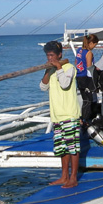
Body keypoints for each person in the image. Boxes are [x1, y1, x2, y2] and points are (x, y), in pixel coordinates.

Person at [39, 41, 81, 188]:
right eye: (48, 56)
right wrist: (47, 70)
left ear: (59, 55)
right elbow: (43, 87)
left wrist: (58, 67)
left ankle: (73, 178)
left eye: (52, 55)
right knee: (62, 148)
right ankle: (64, 176)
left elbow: (64, 84)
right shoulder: (51, 70)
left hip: (69, 114)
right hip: (56, 116)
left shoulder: (69, 68)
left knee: (72, 148)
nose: (50, 58)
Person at [75, 34, 99, 122]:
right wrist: (94, 81)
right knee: (89, 100)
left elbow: (76, 62)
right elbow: (89, 67)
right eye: (95, 45)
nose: (94, 47)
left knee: (85, 98)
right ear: (91, 43)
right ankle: (85, 119)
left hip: (79, 76)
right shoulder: (89, 53)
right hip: (86, 77)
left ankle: (84, 118)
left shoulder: (79, 50)